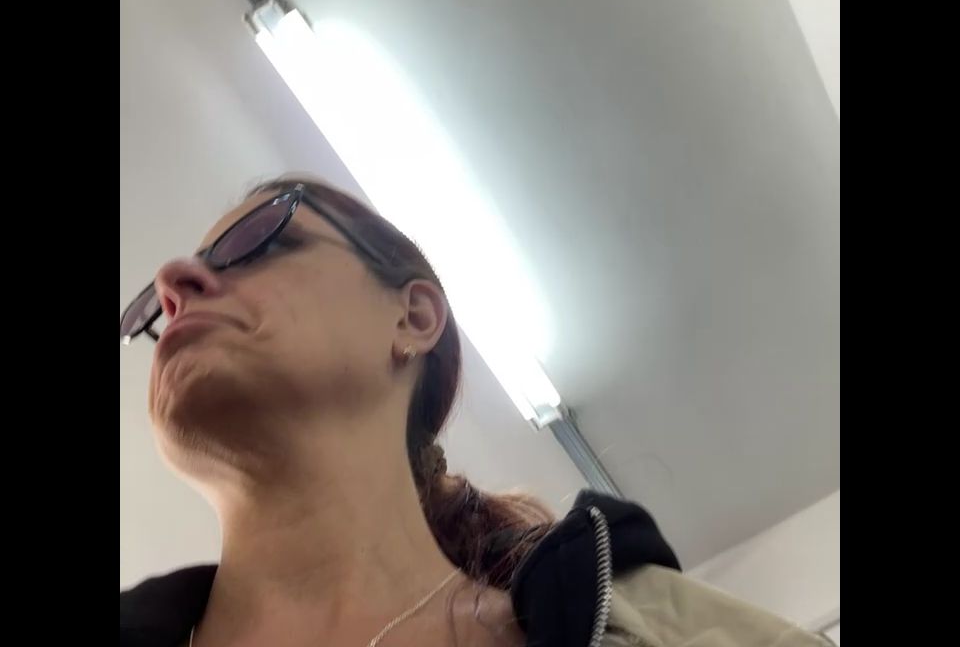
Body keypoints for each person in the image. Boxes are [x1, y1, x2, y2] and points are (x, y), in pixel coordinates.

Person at [120, 176, 826, 646]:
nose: (171, 282)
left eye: (253, 242)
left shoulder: (663, 629)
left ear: (413, 318)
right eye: (155, 309)